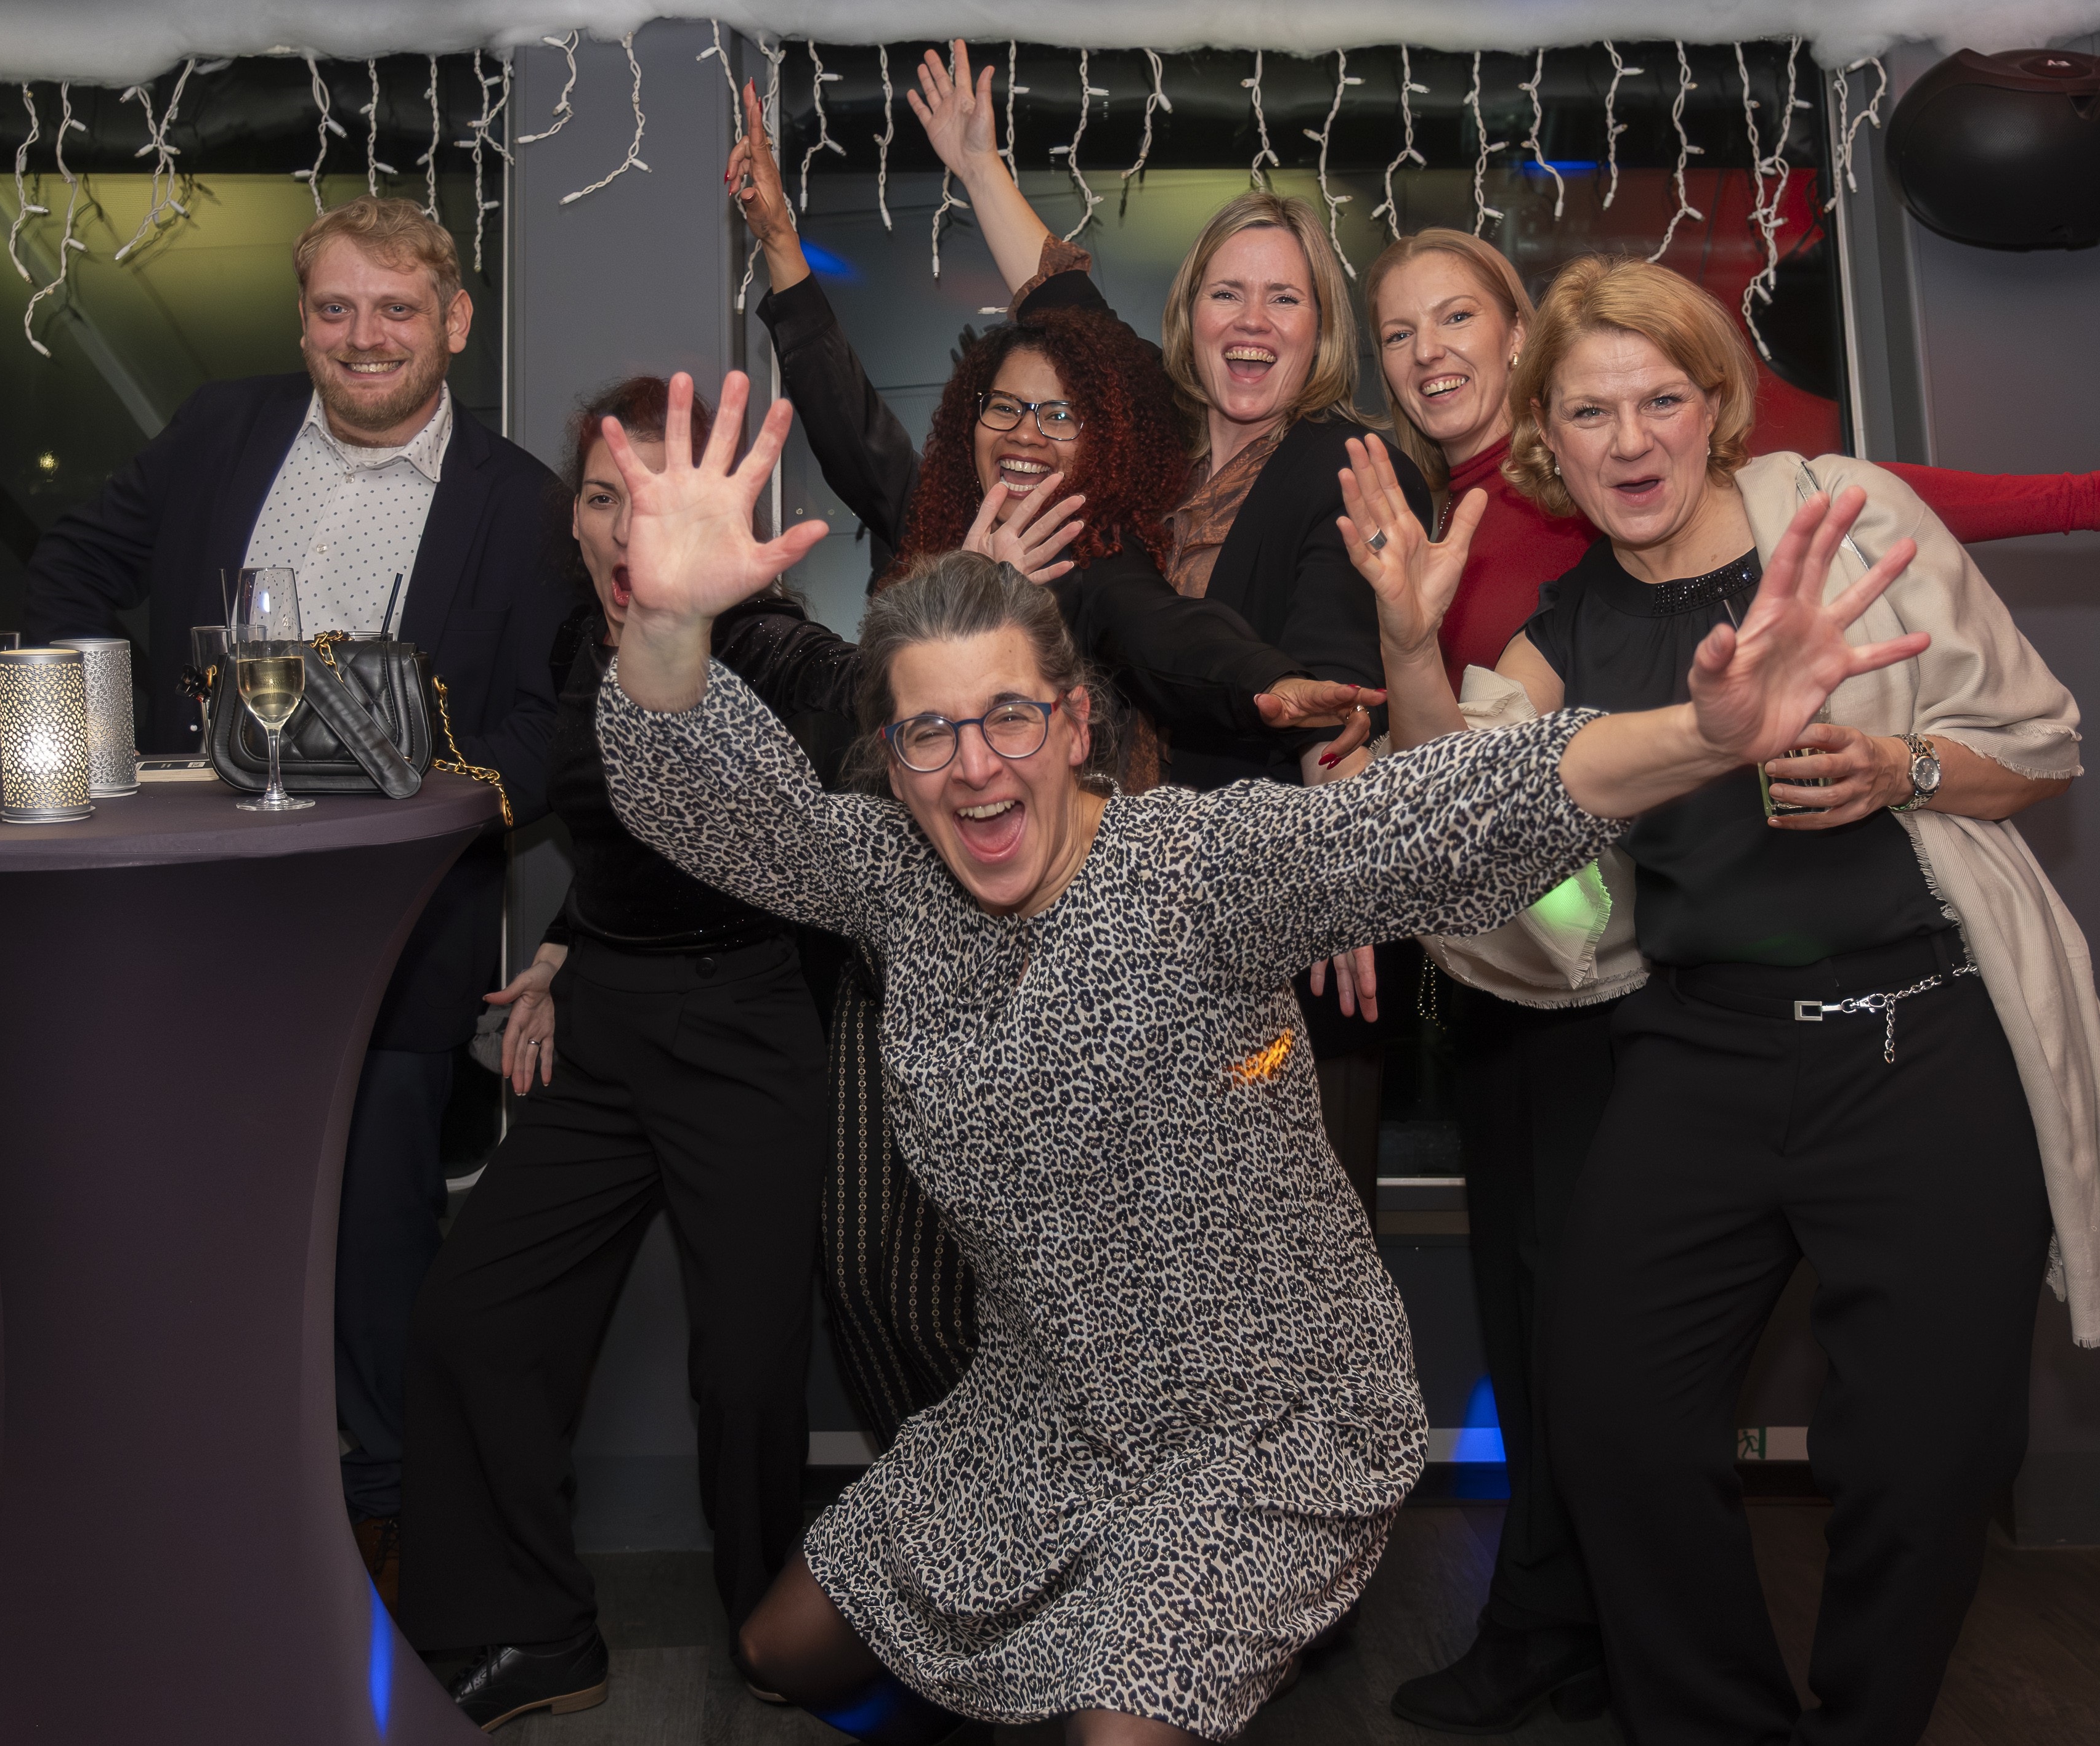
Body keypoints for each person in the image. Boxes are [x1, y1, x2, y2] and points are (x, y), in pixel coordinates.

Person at [592, 363, 1935, 1745]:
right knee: (781, 1651)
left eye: (1008, 717)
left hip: (1266, 1421)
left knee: (1116, 1731)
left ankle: (1160, 1648)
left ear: (1072, 722)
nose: (974, 765)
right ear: (892, 756)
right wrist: (668, 625)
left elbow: (1438, 816)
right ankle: (1085, 1645)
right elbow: (716, 809)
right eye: (928, 732)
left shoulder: (1193, 868)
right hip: (1045, 1412)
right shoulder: (894, 875)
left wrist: (1699, 735)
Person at [1356, 227, 2100, 1732]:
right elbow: (1446, 824)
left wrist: (1896, 764)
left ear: (1711, 404)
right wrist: (1409, 650)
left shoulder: (1848, 519)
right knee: (1612, 1419)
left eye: (1657, 399)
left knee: (1927, 1459)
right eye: (1588, 412)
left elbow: (2037, 750)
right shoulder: (1564, 633)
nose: (1627, 439)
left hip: (1926, 1050)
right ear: (1546, 444)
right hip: (1697, 1057)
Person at [728, 86, 1386, 1449]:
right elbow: (852, 420)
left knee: (1072, 1271)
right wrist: (793, 257)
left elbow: (1174, 632)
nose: (1027, 434)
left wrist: (1277, 694)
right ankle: (966, 1474)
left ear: (1104, 443)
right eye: (1004, 410)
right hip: (909, 955)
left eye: (1058, 417)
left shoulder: (1105, 548)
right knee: (874, 1259)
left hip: (1094, 960)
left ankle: (1073, 1484)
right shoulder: (930, 515)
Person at [20, 196, 562, 1599]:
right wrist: (107, 759)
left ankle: (387, 1541)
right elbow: (73, 564)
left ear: (454, 321)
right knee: (192, 1227)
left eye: (396, 308)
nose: (364, 336)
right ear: (303, 322)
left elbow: (553, 722)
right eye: (336, 308)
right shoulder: (222, 428)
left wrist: (439, 801)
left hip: (396, 931)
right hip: (195, 922)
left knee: (376, 1249)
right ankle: (205, 1525)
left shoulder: (521, 503)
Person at [397, 379, 859, 1728]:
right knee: (474, 1313)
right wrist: (563, 950)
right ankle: (531, 1633)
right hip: (606, 1022)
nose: (624, 523)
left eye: (653, 495)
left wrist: (950, 639)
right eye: (604, 495)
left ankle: (772, 1632)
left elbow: (853, 700)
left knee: (747, 1370)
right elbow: (616, 841)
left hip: (748, 1020)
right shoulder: (572, 644)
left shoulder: (762, 642)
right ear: (576, 515)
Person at [910, 41, 1428, 1201]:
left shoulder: (1347, 461)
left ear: (1320, 328)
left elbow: (1335, 690)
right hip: (1119, 930)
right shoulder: (1154, 436)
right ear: (1191, 314)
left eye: (1285, 297)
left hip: (1273, 930)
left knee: (1282, 1259)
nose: (1254, 320)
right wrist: (979, 165)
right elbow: (1065, 305)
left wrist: (1343, 871)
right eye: (1228, 293)